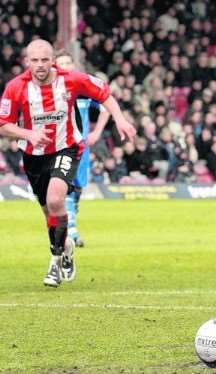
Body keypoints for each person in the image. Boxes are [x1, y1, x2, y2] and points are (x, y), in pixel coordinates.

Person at [0, 39, 136, 288]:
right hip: (34, 155)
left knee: (55, 200)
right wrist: (28, 134)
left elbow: (104, 93)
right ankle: (66, 247)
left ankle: (55, 259)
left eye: (44, 60)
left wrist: (121, 120)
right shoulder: (15, 88)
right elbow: (3, 123)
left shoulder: (72, 79)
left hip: (67, 148)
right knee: (48, 212)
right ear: (26, 62)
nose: (40, 65)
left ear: (52, 60)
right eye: (34, 60)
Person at [55, 50, 111, 247]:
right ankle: (71, 231)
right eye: (60, 63)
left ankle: (72, 222)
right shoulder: (51, 90)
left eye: (68, 62)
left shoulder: (84, 89)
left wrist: (97, 132)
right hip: (60, 146)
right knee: (66, 188)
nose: (64, 66)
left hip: (82, 148)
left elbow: (106, 106)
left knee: (78, 188)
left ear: (73, 66)